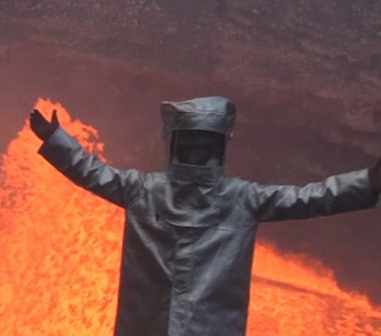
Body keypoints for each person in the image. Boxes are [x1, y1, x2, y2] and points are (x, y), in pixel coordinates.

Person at [29, 96, 380, 336]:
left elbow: (92, 173)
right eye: (193, 145)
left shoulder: (146, 191)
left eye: (202, 146)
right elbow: (309, 199)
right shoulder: (240, 198)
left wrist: (58, 141)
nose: (196, 153)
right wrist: (367, 183)